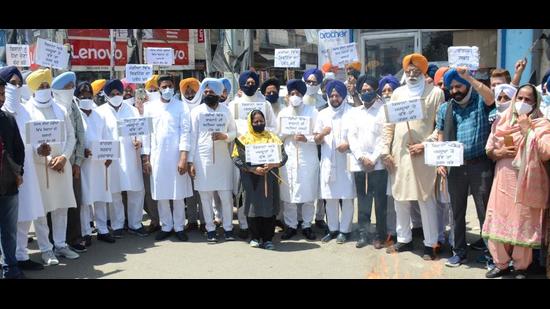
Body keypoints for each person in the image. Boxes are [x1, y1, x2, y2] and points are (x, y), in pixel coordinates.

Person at [381, 53, 445, 260]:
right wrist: (385, 151)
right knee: (400, 199)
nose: (412, 74)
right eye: (408, 71)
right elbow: (389, 125)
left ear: (424, 72)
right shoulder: (398, 93)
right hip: (399, 155)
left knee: (426, 199)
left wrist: (426, 145)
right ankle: (404, 239)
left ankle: (430, 244)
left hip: (423, 155)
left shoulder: (435, 93)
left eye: (416, 71)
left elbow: (440, 126)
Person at [483, 84, 550, 279]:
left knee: (522, 221)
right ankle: (501, 264)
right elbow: (490, 148)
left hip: (527, 181)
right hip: (503, 179)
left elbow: (546, 152)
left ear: (535, 103)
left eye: (528, 99)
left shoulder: (542, 124)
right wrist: (498, 152)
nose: (523, 102)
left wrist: (527, 130)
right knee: (499, 217)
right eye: (520, 98)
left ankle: (521, 266)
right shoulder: (502, 121)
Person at [435, 67, 495, 267]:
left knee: (484, 211)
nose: (454, 90)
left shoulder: (480, 101)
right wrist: (441, 161)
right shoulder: (445, 108)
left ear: (468, 84)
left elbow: (491, 97)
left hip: (480, 164)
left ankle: (492, 255)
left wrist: (468, 76)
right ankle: (459, 252)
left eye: (458, 85)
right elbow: (441, 133)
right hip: (456, 168)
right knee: (457, 211)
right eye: (451, 87)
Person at [25, 69, 80, 262]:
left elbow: (71, 137)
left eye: (47, 85)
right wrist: (45, 158)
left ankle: (60, 244)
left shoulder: (61, 109)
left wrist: (64, 157)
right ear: (33, 89)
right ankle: (46, 249)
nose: (45, 89)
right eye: (41, 86)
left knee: (61, 207)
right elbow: (28, 141)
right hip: (40, 168)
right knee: (41, 211)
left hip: (61, 166)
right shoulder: (27, 110)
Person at [0, 67, 46, 270]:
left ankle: (20, 256)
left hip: (23, 171)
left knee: (24, 213)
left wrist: (41, 149)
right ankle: (7, 261)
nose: (16, 87)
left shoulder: (26, 110)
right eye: (12, 83)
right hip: (5, 173)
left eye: (19, 83)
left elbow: (31, 140)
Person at [142, 75, 193, 241]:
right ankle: (166, 226)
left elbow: (186, 132)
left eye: (170, 86)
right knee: (162, 192)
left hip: (177, 156)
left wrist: (184, 157)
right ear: (158, 88)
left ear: (175, 88)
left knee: (178, 193)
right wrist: (146, 158)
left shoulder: (181, 106)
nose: (167, 90)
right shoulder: (150, 107)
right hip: (157, 157)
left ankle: (179, 226)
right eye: (164, 87)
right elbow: (146, 134)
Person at [95, 79, 148, 239]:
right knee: (115, 192)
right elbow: (98, 137)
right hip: (112, 159)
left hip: (132, 156)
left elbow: (141, 131)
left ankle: (135, 224)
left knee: (136, 190)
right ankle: (117, 225)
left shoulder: (132, 110)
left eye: (119, 93)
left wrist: (140, 141)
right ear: (107, 95)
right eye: (112, 94)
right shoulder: (100, 112)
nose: (116, 96)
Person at [189, 78, 237, 243]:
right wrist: (191, 162)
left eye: (211, 92)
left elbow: (233, 132)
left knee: (225, 195)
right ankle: (210, 229)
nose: (208, 94)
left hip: (223, 160)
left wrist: (225, 136)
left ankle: (228, 228)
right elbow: (192, 138)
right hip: (202, 159)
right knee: (205, 196)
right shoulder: (196, 112)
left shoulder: (226, 111)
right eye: (206, 92)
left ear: (218, 94)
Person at [232, 110, 287, 250]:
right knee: (252, 208)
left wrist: (274, 164)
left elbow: (284, 156)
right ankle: (255, 237)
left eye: (261, 121)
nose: (259, 123)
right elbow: (236, 158)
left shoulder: (273, 138)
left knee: (269, 209)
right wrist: (252, 169)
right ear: (250, 123)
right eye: (255, 122)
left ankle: (268, 238)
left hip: (270, 179)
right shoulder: (244, 139)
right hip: (251, 181)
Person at [347, 75, 388, 249]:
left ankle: (380, 235)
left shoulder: (384, 110)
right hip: (360, 163)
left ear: (375, 91)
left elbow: (384, 137)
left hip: (377, 164)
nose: (365, 93)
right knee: (363, 200)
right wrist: (360, 157)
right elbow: (352, 136)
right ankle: (363, 234)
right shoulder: (355, 112)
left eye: (369, 90)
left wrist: (373, 158)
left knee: (379, 202)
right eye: (362, 91)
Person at [314, 80, 356, 244]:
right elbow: (316, 140)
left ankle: (345, 230)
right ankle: (332, 229)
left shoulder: (352, 113)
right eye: (331, 95)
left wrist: (348, 144)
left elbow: (358, 136)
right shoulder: (322, 114)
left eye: (337, 95)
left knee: (346, 197)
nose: (334, 98)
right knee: (329, 197)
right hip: (328, 161)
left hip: (346, 161)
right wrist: (322, 134)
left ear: (343, 96)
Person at [276, 79, 319, 241]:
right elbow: (277, 136)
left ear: (303, 95)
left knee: (308, 193)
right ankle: (291, 226)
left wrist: (306, 138)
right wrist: (287, 134)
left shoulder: (312, 112)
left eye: (298, 94)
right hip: (288, 158)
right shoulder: (283, 113)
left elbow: (319, 136)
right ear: (288, 96)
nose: (295, 96)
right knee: (289, 194)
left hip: (307, 158)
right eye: (292, 94)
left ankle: (307, 225)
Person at [51, 71, 87, 253]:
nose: (71, 90)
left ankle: (74, 237)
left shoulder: (73, 106)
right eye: (67, 87)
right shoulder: (51, 106)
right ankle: (53, 241)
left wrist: (77, 162)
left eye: (72, 86)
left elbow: (79, 135)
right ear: (56, 90)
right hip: (51, 164)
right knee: (54, 204)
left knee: (73, 202)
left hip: (71, 163)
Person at [75, 82, 115, 244]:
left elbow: (107, 137)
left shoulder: (99, 115)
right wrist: (81, 151)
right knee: (85, 198)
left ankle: (103, 229)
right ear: (77, 97)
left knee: (100, 196)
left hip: (100, 163)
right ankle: (85, 231)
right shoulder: (76, 114)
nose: (86, 97)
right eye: (82, 95)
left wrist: (110, 155)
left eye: (88, 95)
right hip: (84, 163)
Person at [0, 76, 26, 279]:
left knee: (9, 230)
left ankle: (10, 266)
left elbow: (19, 149)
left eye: (2, 94)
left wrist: (19, 172)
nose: (1, 98)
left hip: (9, 184)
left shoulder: (8, 119)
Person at [302, 68, 328, 230]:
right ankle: (301, 219)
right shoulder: (297, 99)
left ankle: (320, 216)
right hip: (304, 147)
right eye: (308, 82)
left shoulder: (324, 101)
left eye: (314, 82)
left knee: (322, 183)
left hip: (321, 146)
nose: (311, 85)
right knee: (306, 182)